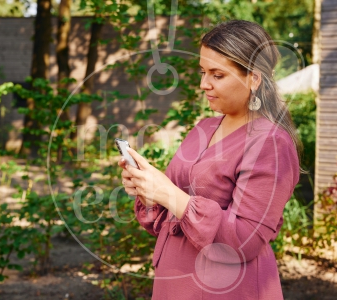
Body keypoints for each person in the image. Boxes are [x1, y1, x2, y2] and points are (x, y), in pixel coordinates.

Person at [119, 20, 301, 300]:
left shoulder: (270, 144)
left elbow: (244, 239)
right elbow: (173, 213)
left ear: (253, 78)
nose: (204, 84)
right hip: (175, 284)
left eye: (218, 75)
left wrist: (168, 193)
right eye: (203, 72)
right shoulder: (204, 128)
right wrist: (149, 191)